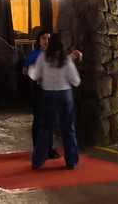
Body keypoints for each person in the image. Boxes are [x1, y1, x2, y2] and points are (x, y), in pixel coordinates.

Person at [28, 31, 81, 170]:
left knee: (45, 128)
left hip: (48, 95)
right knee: (68, 128)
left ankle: (38, 161)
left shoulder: (43, 57)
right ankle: (71, 162)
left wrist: (31, 70)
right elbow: (76, 81)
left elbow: (35, 75)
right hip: (65, 95)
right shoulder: (66, 59)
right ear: (63, 44)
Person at [22, 28, 59, 159]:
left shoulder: (54, 55)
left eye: (48, 38)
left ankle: (48, 148)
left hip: (51, 90)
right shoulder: (33, 55)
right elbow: (24, 71)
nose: (46, 41)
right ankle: (38, 149)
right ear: (39, 40)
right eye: (43, 38)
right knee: (38, 119)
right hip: (38, 89)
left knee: (49, 119)